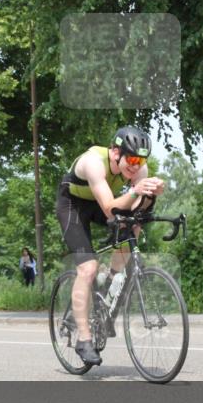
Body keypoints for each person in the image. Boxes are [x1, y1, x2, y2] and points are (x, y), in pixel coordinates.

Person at [55, 125, 164, 366]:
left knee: (132, 226)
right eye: (132, 158)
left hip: (100, 202)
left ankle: (109, 285)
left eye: (141, 160)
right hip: (73, 206)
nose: (136, 166)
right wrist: (136, 191)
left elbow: (132, 210)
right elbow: (110, 208)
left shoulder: (139, 168)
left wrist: (149, 198)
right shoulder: (94, 162)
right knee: (88, 268)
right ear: (115, 152)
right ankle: (84, 339)